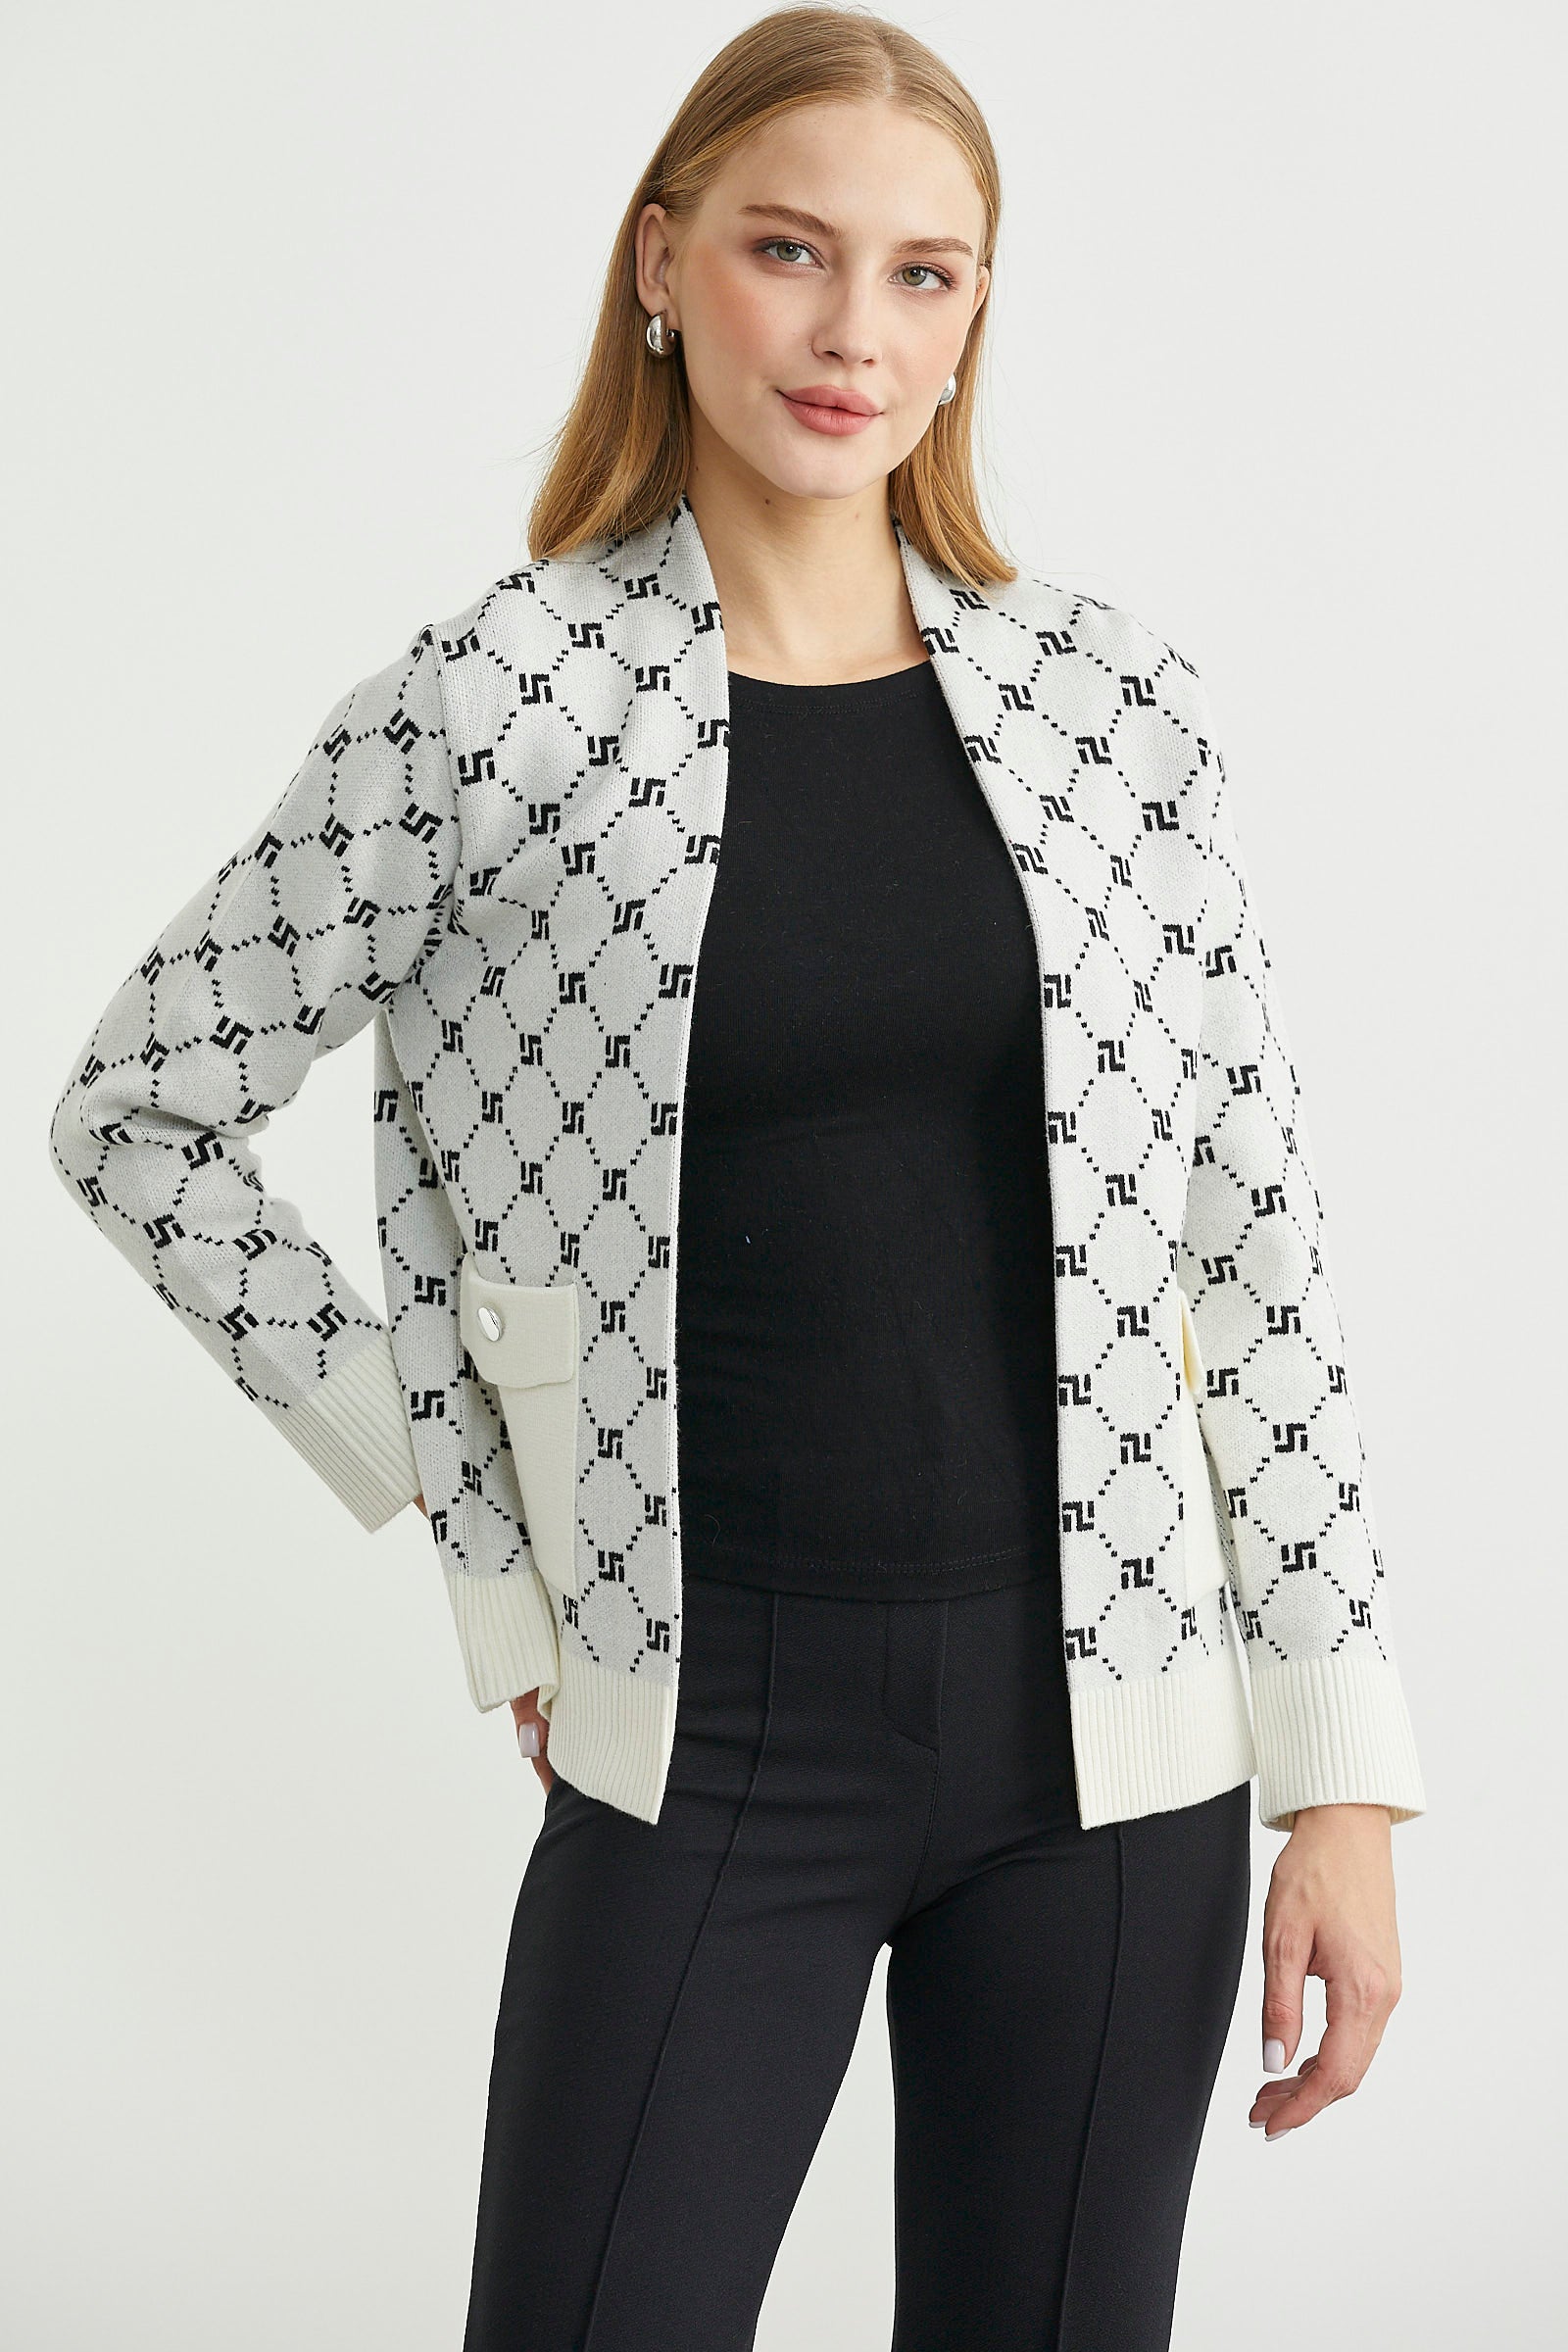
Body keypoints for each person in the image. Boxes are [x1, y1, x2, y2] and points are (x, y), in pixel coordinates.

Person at [48, 11, 1426, 2348]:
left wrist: (1343, 1787)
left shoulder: (1111, 711)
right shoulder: (488, 710)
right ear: (661, 264)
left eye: (920, 273)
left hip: (1118, 1748)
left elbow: (1251, 1245)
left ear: (971, 316)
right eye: (790, 251)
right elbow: (137, 1110)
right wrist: (461, 1470)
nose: (850, 330)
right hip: (704, 1735)